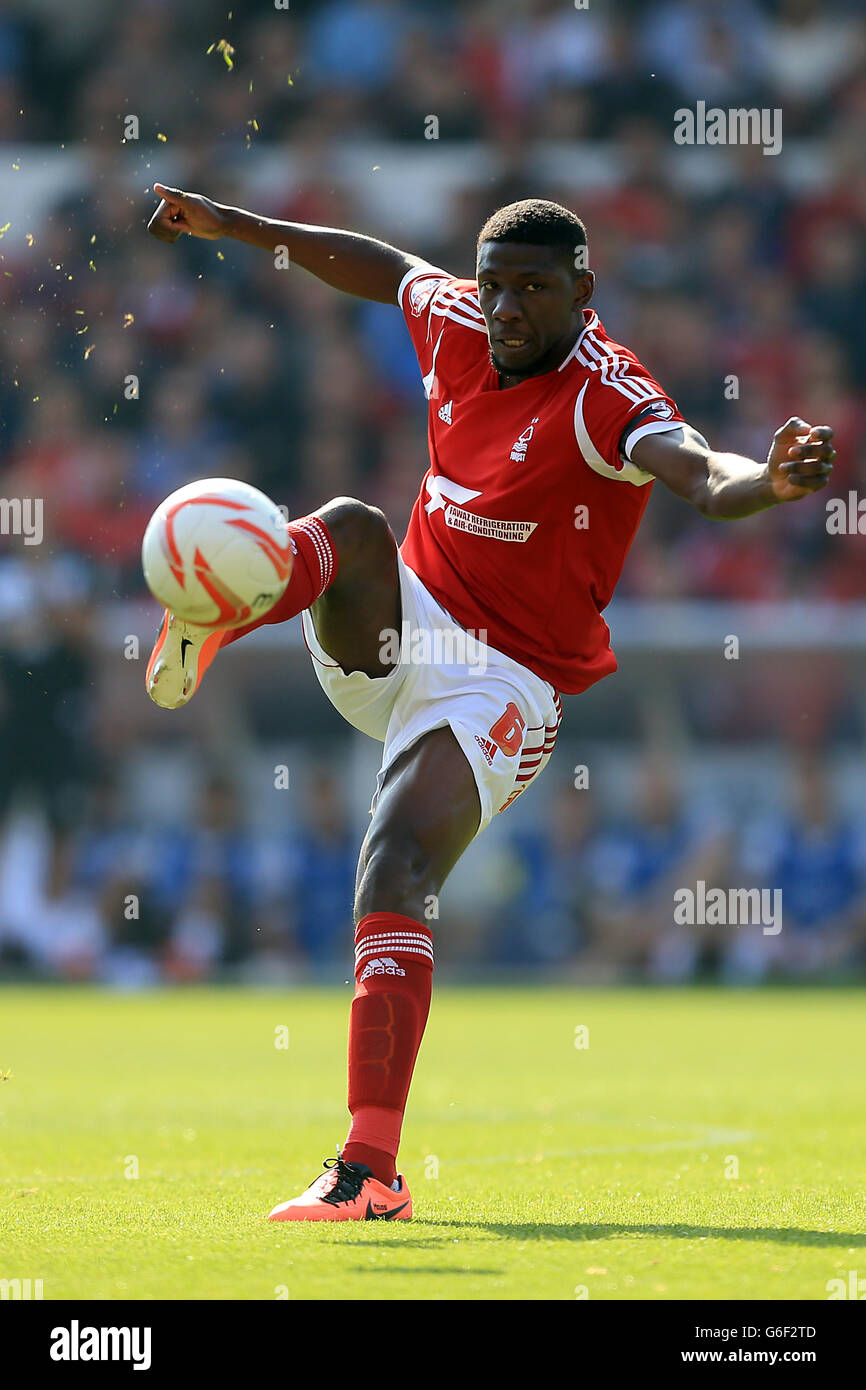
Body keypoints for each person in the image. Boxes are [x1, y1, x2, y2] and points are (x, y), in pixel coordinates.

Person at [144, 184, 834, 1221]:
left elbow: (697, 470)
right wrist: (242, 227)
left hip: (502, 680)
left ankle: (368, 1170)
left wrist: (768, 484)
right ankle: (218, 609)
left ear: (581, 291)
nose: (506, 309)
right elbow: (380, 264)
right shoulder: (462, 316)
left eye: (532, 291)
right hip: (398, 626)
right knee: (351, 523)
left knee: (394, 861)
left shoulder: (606, 393)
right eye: (494, 286)